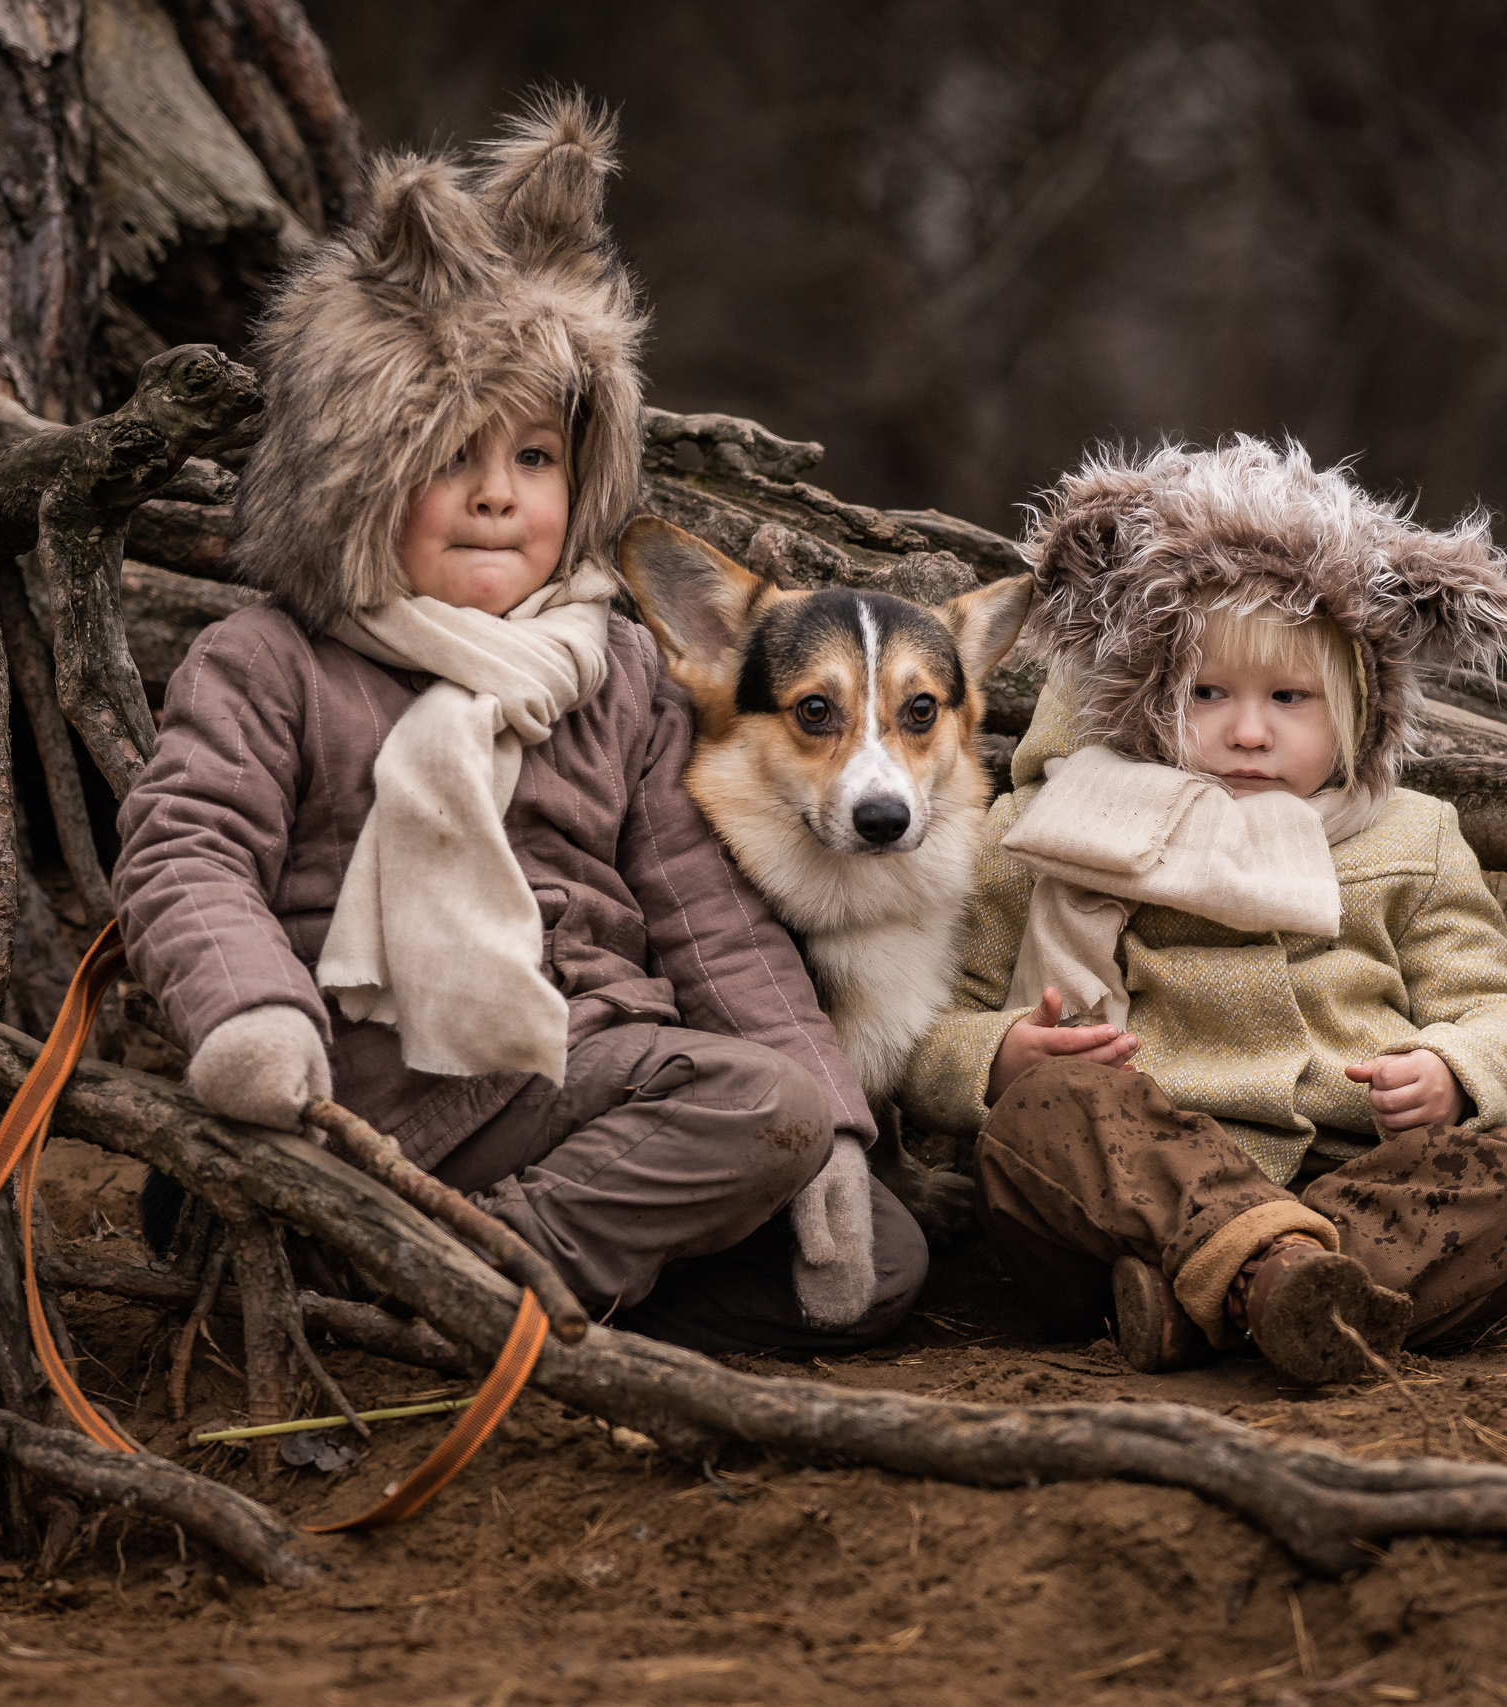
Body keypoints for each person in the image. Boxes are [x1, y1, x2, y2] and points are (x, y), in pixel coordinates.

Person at [112, 99, 924, 1355]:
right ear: (357, 475)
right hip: (401, 1084)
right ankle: (475, 1271)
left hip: (600, 1067)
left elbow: (707, 918)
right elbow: (188, 850)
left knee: (876, 1258)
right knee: (754, 1112)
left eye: (538, 458)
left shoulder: (611, 672)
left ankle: (460, 1287)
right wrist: (250, 1013)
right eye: (453, 457)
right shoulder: (272, 663)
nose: (500, 493)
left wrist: (835, 1118)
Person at [895, 439, 1507, 1381]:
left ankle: (1210, 1306)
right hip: (1121, 1196)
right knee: (1043, 1115)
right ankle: (1277, 1284)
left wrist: (1455, 1068)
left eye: (1289, 698)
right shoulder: (1045, 831)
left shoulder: (1405, 838)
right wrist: (999, 1055)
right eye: (1205, 693)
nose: (1247, 731)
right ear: (1141, 693)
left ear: (1355, 710)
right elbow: (924, 1027)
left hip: (1340, 1178)